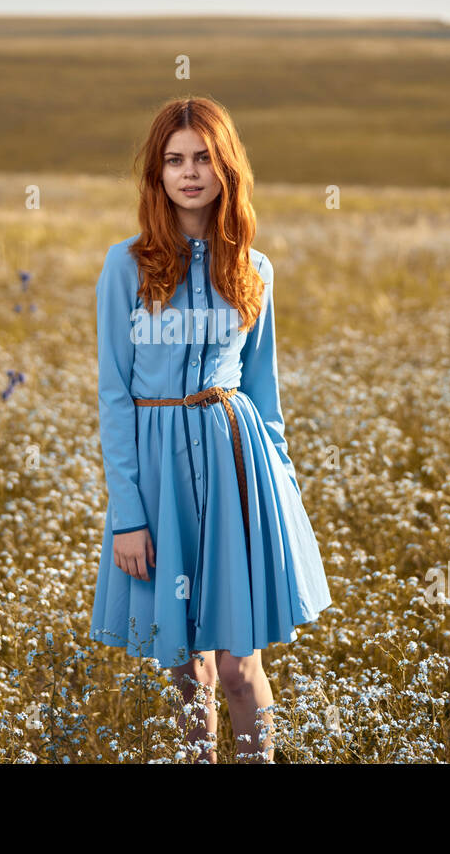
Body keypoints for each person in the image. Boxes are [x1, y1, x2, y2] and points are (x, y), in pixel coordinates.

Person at [89, 96, 333, 763]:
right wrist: (127, 515)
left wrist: (285, 500)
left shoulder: (255, 269)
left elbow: (264, 394)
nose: (189, 172)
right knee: (184, 666)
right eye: (174, 160)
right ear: (157, 174)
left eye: (202, 158)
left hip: (239, 471)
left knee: (237, 666)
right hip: (160, 481)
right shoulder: (125, 266)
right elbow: (114, 395)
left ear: (226, 168)